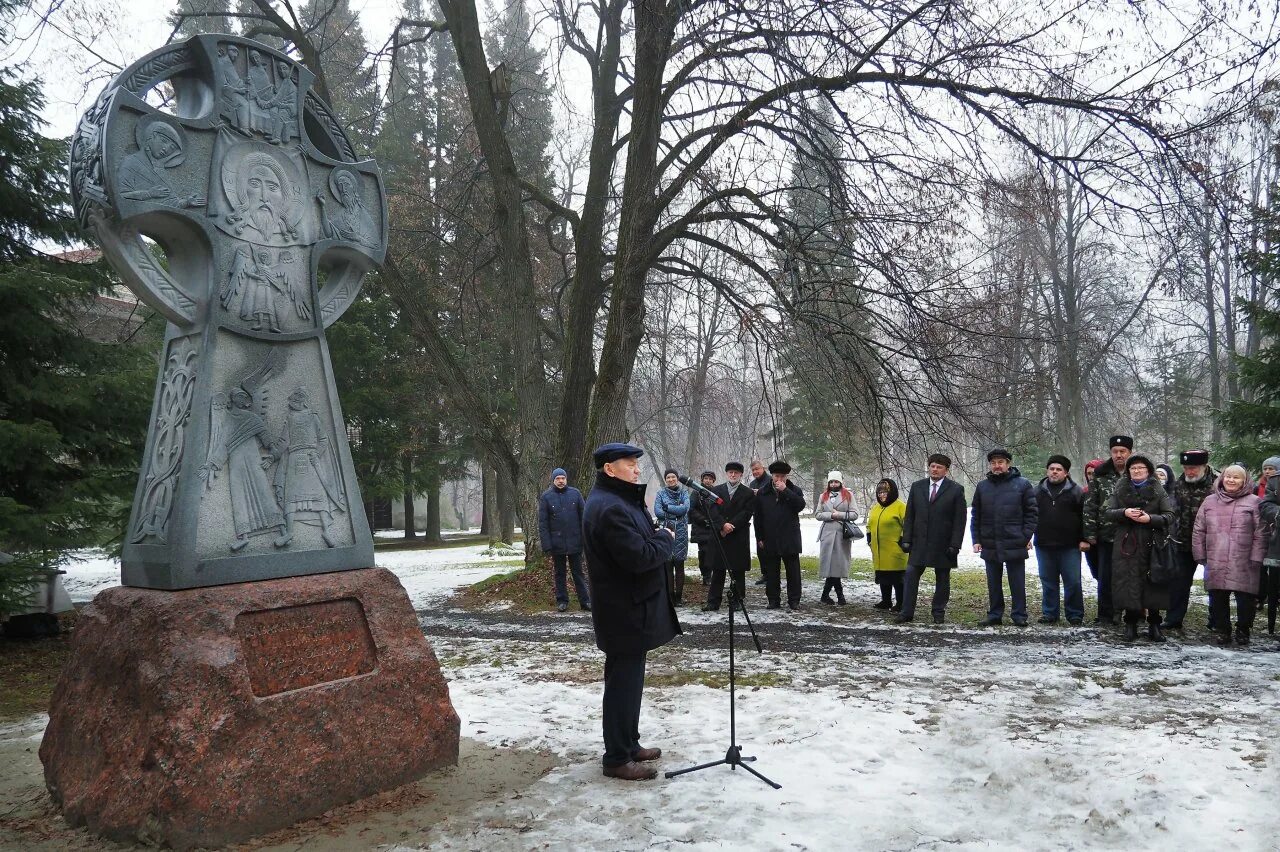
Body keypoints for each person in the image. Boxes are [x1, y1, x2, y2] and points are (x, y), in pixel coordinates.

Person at [583, 443, 681, 781]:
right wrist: (666, 539)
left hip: (631, 609)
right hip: (622, 611)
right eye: (629, 464)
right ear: (610, 469)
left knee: (630, 681)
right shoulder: (609, 508)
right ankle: (616, 758)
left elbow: (644, 539)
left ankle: (629, 743)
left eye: (637, 464)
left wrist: (656, 537)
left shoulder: (621, 501)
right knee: (622, 685)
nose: (637, 470)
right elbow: (639, 556)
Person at [1192, 464, 1268, 646]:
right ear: (1222, 479)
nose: (1231, 480)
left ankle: (1243, 630)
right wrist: (1200, 554)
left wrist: (1257, 557)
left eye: (1236, 477)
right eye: (1228, 476)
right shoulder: (1209, 501)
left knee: (1245, 600)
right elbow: (1199, 529)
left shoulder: (1254, 502)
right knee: (1217, 598)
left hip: (1244, 560)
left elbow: (1261, 532)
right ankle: (1223, 630)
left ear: (1244, 481)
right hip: (1215, 557)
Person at [1105, 454, 1175, 642]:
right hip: (1127, 543)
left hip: (1153, 542)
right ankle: (1130, 624)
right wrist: (1125, 512)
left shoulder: (1158, 489)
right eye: (1133, 468)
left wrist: (1150, 519)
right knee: (1128, 582)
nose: (1136, 471)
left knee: (1153, 583)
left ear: (1148, 471)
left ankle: (1154, 624)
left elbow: (1169, 515)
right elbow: (1108, 512)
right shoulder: (1120, 488)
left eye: (1140, 468)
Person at [897, 454, 967, 624]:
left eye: (939, 467)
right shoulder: (917, 487)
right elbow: (910, 515)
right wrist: (906, 539)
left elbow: (960, 520)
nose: (935, 469)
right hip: (919, 542)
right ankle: (906, 612)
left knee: (942, 578)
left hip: (943, 543)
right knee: (911, 575)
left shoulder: (956, 489)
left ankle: (938, 612)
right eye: (932, 466)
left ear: (946, 470)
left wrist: (955, 544)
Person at [971, 448, 1038, 627]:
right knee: (993, 583)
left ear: (1008, 464)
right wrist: (976, 539)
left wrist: (1025, 536)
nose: (997, 466)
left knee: (1017, 582)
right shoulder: (982, 486)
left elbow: (1032, 514)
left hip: (1015, 541)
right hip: (990, 541)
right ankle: (994, 614)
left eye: (1000, 462)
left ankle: (1019, 615)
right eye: (993, 463)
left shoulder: (1023, 484)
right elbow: (976, 515)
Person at [1083, 435, 1135, 625]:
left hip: (1132, 536)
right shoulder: (1100, 474)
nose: (1119, 455)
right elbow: (1090, 505)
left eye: (1123, 452)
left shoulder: (1137, 471)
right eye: (1115, 451)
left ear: (1130, 453)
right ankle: (1106, 614)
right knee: (1106, 577)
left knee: (1130, 577)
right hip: (1106, 535)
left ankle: (1132, 614)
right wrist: (1089, 533)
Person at [1164, 449, 1216, 632]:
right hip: (1182, 541)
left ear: (1204, 466)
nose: (1189, 472)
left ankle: (1216, 619)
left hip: (1210, 543)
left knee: (1214, 583)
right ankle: (1173, 618)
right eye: (1186, 468)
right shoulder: (1179, 483)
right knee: (1178, 582)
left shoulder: (1217, 484)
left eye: (1193, 468)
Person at [1033, 455, 1086, 625]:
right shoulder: (1037, 491)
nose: (1054, 472)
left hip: (1069, 546)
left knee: (1073, 581)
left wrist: (1084, 539)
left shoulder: (1076, 491)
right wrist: (1027, 536)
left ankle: (1075, 614)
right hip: (1044, 544)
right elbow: (1030, 516)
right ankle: (1050, 613)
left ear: (1066, 473)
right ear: (1047, 471)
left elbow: (1085, 517)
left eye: (1059, 469)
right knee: (1048, 582)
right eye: (1052, 469)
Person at [754, 461, 807, 609]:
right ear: (772, 476)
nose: (779, 479)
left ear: (786, 476)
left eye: (782, 476)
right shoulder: (763, 492)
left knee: (793, 572)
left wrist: (785, 491)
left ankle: (794, 600)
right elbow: (758, 517)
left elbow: (800, 506)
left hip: (790, 537)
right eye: (777, 476)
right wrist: (760, 537)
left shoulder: (794, 490)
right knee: (772, 572)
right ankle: (773, 599)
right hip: (770, 537)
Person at [537, 467, 590, 613]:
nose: (561, 481)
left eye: (563, 478)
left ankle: (585, 601)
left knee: (578, 572)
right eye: (558, 479)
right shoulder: (546, 497)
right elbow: (543, 523)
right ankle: (562, 601)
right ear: (553, 480)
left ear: (566, 479)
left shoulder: (576, 494)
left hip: (575, 541)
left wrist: (585, 539)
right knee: (559, 573)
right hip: (556, 543)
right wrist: (547, 545)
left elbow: (584, 518)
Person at [703, 461, 754, 611]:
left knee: (737, 571)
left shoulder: (748, 492)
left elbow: (747, 512)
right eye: (730, 472)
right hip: (720, 535)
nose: (733, 475)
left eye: (736, 473)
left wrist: (731, 526)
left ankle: (737, 601)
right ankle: (713, 602)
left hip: (738, 535)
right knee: (718, 570)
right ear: (726, 474)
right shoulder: (716, 491)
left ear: (741, 475)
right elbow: (712, 510)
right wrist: (722, 525)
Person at [815, 471, 857, 606]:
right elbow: (818, 514)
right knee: (830, 565)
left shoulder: (848, 495)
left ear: (840, 482)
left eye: (836, 482)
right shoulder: (823, 496)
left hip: (841, 535)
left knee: (837, 565)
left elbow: (855, 514)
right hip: (827, 535)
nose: (834, 484)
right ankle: (839, 596)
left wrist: (839, 514)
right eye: (831, 482)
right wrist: (830, 516)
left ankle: (829, 595)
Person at [867, 478, 908, 610]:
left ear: (892, 492)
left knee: (897, 578)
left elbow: (908, 524)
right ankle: (886, 601)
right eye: (879, 493)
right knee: (883, 576)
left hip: (895, 549)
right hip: (879, 550)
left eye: (885, 492)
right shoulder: (875, 508)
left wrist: (902, 540)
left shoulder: (900, 506)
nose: (882, 495)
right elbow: (869, 525)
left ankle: (901, 603)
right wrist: (869, 537)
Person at [654, 469, 691, 605]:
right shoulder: (661, 493)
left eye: (673, 477)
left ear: (677, 478)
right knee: (668, 565)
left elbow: (685, 509)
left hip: (681, 532)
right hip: (667, 531)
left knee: (679, 565)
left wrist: (667, 507)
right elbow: (658, 512)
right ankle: (670, 597)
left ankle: (679, 598)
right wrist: (676, 511)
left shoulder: (684, 492)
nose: (671, 479)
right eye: (668, 477)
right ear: (665, 479)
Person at [687, 470, 718, 585]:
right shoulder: (696, 493)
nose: (708, 481)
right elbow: (691, 509)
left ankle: (711, 575)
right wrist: (703, 519)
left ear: (713, 481)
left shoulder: (716, 492)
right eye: (706, 479)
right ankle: (705, 575)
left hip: (713, 527)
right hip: (700, 527)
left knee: (713, 552)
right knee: (704, 552)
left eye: (710, 479)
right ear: (702, 480)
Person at [1259, 475, 1280, 634]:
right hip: (1278, 545)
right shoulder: (1276, 480)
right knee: (1275, 587)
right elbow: (1266, 504)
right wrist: (1278, 513)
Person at [1081, 459, 1105, 586]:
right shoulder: (1083, 492)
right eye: (1089, 474)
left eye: (1094, 473)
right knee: (1096, 572)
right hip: (1090, 540)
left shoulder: (1110, 490)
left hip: (1107, 538)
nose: (1092, 477)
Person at [748, 459, 769, 585]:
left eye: (757, 469)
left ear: (763, 468)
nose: (755, 472)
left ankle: (772, 573)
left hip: (770, 518)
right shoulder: (752, 484)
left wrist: (760, 494)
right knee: (760, 546)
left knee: (769, 547)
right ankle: (765, 573)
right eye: (753, 470)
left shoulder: (770, 480)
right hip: (758, 518)